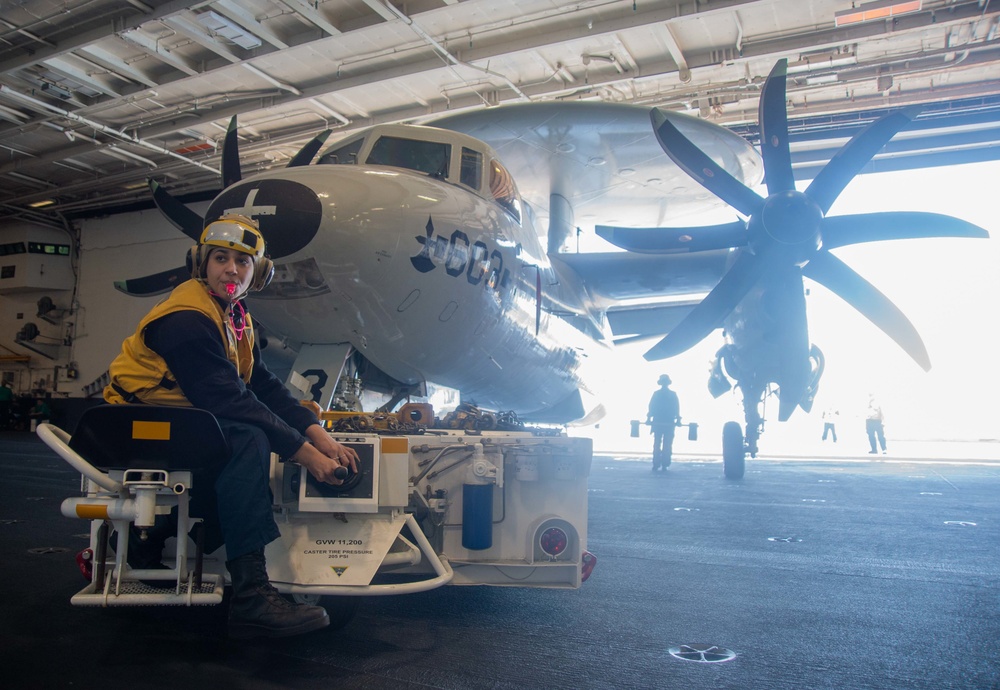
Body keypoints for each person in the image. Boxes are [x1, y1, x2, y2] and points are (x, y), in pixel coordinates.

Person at [104, 213, 359, 639]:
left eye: (243, 263)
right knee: (246, 438)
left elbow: (262, 384)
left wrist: (317, 433)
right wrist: (306, 455)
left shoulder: (233, 317)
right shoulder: (187, 318)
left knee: (244, 441)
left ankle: (148, 543)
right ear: (201, 263)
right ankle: (251, 597)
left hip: (179, 421)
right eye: (221, 258)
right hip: (134, 424)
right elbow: (227, 400)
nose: (231, 270)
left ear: (256, 274)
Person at [646, 374, 681, 471]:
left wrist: (649, 418)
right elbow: (651, 407)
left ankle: (660, 463)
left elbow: (676, 408)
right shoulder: (667, 394)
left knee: (661, 443)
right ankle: (661, 463)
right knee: (662, 444)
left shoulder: (659, 394)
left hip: (662, 422)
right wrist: (678, 419)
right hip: (664, 422)